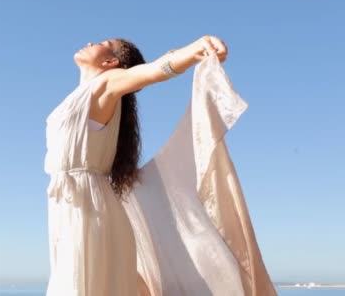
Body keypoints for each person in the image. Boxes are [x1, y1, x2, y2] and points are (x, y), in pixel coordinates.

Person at [44, 36, 228, 296]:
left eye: (103, 42)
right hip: (70, 202)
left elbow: (155, 70)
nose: (90, 41)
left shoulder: (106, 82)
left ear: (111, 62)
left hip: (86, 205)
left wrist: (195, 49)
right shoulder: (86, 94)